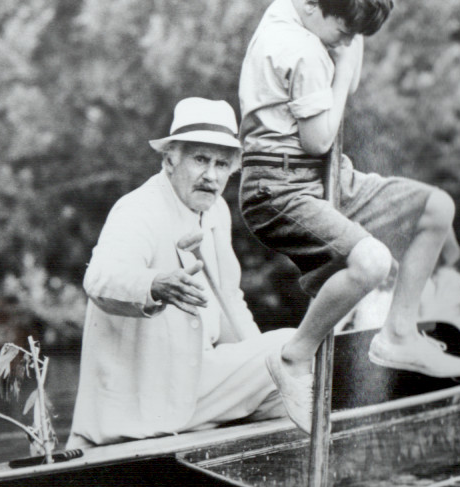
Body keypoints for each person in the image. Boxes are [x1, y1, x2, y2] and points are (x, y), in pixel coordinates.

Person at [238, 0, 460, 431]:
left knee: (436, 208)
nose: (345, 43)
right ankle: (294, 357)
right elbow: (319, 138)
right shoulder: (298, 48)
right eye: (343, 31)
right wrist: (342, 69)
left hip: (326, 176)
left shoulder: (301, 8)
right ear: (311, 4)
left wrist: (350, 37)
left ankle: (398, 334)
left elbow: (344, 61)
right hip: (278, 187)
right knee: (371, 262)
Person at [66, 97, 293, 448]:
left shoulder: (216, 211)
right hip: (141, 402)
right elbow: (99, 278)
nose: (211, 176)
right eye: (200, 159)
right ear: (170, 159)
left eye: (221, 164)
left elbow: (230, 301)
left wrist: (261, 367)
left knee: (293, 364)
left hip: (195, 382)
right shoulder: (139, 209)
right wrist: (154, 285)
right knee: (291, 349)